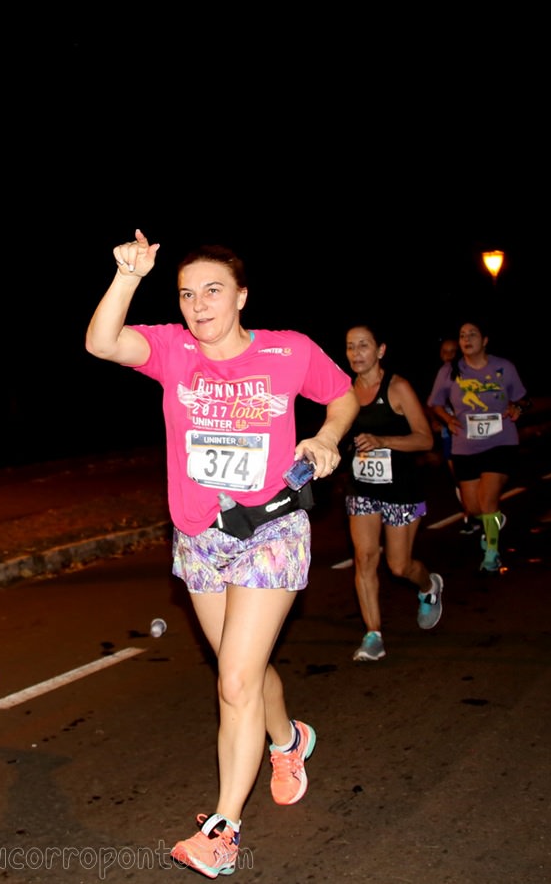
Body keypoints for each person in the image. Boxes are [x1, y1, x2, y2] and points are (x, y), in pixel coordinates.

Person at [85, 230, 357, 877]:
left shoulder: (288, 350)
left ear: (241, 296)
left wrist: (327, 437)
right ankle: (288, 739)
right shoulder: (172, 350)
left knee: (233, 679)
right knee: (244, 669)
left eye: (213, 290)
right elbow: (101, 342)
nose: (199, 304)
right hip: (200, 538)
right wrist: (128, 276)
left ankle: (222, 829)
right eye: (186, 294)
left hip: (271, 530)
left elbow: (342, 394)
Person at [343, 325, 444, 663]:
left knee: (399, 566)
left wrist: (383, 441)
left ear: (380, 350)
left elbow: (425, 438)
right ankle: (373, 635)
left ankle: (429, 586)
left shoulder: (398, 387)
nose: (357, 353)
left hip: (401, 488)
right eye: (351, 347)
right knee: (365, 557)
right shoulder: (345, 391)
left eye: (364, 345)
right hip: (361, 487)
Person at [426, 319, 530, 573]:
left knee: (487, 500)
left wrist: (517, 408)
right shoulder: (450, 371)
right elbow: (434, 403)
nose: (466, 339)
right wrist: (448, 419)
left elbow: (523, 399)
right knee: (473, 508)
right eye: (463, 335)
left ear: (484, 341)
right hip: (465, 446)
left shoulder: (503, 367)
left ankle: (492, 553)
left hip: (500, 442)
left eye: (472, 334)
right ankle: (493, 521)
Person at [427, 337, 478, 537]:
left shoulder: (469, 371)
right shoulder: (442, 374)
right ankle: (470, 516)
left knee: (475, 476)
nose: (448, 356)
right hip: (450, 433)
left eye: (452, 352)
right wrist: (437, 420)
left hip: (473, 432)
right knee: (459, 477)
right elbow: (432, 402)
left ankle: (482, 513)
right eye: (444, 352)